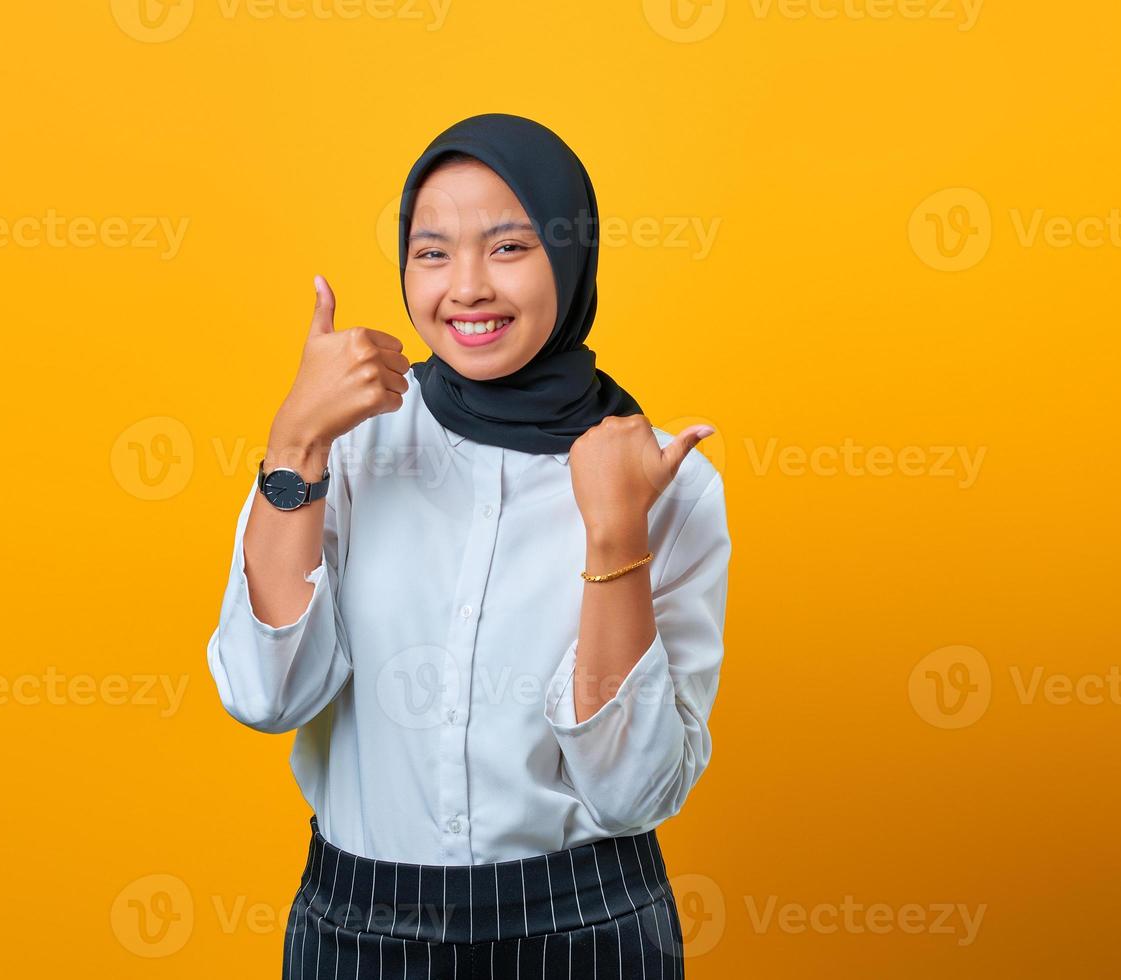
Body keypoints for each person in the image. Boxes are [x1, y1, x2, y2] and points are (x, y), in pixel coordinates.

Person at [206, 112, 731, 978]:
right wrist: (294, 445)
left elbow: (631, 793)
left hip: (586, 928)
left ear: (571, 258)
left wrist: (613, 532)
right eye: (432, 251)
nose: (467, 288)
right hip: (357, 932)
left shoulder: (659, 481)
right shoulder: (348, 439)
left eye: (510, 247)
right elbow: (266, 697)